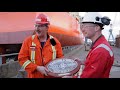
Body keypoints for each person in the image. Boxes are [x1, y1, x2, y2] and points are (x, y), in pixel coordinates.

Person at [63, 12, 114, 78]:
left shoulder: (100, 51)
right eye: (82, 26)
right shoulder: (98, 45)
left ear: (96, 28)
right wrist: (83, 62)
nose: (83, 29)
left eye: (86, 26)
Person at [18, 13, 64, 78]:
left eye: (40, 26)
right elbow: (22, 58)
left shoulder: (55, 42)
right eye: (36, 26)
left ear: (47, 27)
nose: (37, 29)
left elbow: (61, 60)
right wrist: (36, 67)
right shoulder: (28, 41)